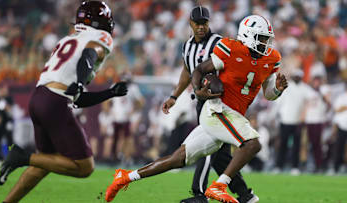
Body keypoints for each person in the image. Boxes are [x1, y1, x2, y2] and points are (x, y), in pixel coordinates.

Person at [105, 14, 288, 203]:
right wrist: (199, 91)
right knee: (252, 143)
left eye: (267, 38)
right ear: (248, 35)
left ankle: (125, 177)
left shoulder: (272, 58)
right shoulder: (231, 49)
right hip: (218, 110)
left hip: (230, 116)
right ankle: (219, 186)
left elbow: (269, 94)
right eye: (262, 38)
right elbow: (199, 69)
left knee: (177, 159)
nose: (266, 42)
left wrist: (278, 90)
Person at [0, 2, 128, 203]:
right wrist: (78, 81)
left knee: (46, 162)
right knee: (84, 167)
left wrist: (109, 93)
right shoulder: (99, 39)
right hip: (54, 101)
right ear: (100, 21)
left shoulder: (69, 39)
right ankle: (22, 156)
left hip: (40, 98)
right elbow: (90, 54)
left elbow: (76, 98)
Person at [162, 6, 257, 203]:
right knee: (220, 156)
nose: (201, 27)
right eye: (197, 23)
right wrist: (174, 96)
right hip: (202, 102)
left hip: (219, 103)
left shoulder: (219, 43)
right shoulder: (187, 46)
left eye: (204, 23)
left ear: (209, 23)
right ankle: (246, 195)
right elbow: (187, 72)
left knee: (208, 147)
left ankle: (199, 194)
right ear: (190, 23)